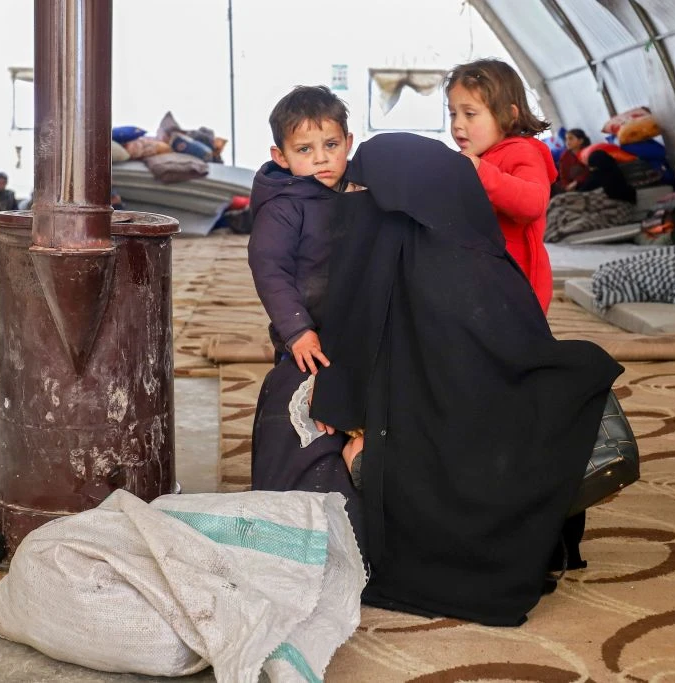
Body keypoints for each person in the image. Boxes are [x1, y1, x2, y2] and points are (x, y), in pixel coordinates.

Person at [253, 132, 622, 627]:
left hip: (461, 473)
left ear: (401, 200)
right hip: (499, 452)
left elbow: (432, 401)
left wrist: (371, 451)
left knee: (299, 417)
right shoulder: (479, 257)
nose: (351, 203)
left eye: (362, 192)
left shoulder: (418, 273)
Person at [247, 85, 353, 374]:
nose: (321, 158)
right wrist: (296, 329)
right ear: (281, 157)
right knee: (298, 390)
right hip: (305, 333)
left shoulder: (359, 190)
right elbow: (270, 272)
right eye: (305, 149)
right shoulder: (281, 208)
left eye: (331, 145)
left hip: (353, 327)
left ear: (348, 143)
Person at [445, 58, 557, 314]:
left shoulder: (522, 152)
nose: (458, 124)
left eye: (470, 114)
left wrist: (482, 173)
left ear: (509, 114)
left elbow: (532, 203)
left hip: (515, 290)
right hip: (479, 282)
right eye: (453, 114)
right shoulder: (471, 160)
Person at [544, 150, 639, 243]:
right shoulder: (604, 175)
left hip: (613, 211)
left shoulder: (614, 182)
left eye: (593, 169)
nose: (592, 171)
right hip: (589, 207)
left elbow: (590, 196)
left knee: (566, 213)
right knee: (560, 209)